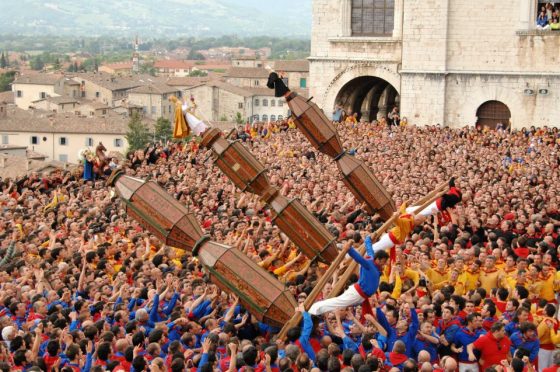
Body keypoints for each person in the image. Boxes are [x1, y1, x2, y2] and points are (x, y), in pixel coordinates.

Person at [308, 237, 387, 316]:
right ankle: (313, 310)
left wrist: (368, 239)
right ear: (378, 260)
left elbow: (370, 249)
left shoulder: (373, 260)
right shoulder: (370, 263)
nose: (384, 264)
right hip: (357, 293)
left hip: (360, 296)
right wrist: (350, 249)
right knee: (337, 303)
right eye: (384, 262)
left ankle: (314, 310)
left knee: (338, 303)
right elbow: (359, 258)